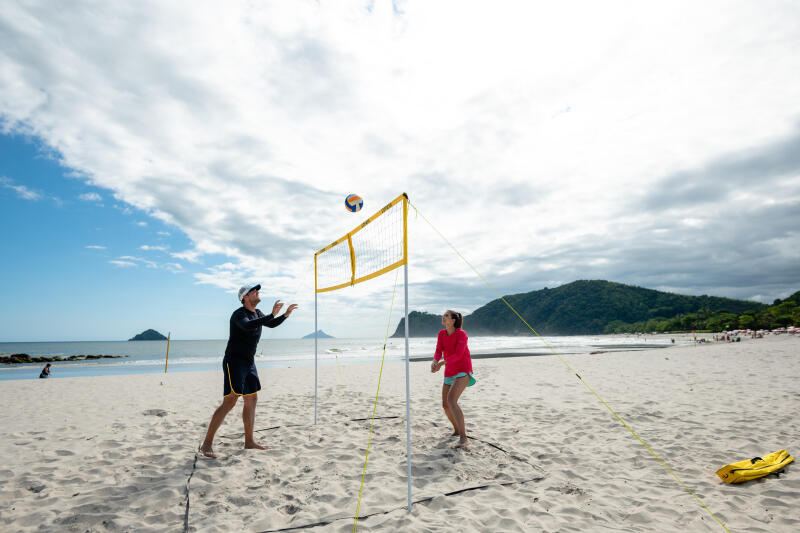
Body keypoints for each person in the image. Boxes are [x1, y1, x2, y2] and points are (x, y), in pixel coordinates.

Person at [199, 283, 298, 459]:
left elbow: (271, 324)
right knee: (230, 401)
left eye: (257, 290)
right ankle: (207, 443)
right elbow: (247, 326)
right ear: (245, 297)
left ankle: (249, 441)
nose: (257, 292)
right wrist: (271, 315)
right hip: (234, 362)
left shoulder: (258, 313)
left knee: (252, 399)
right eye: (254, 291)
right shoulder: (239, 314)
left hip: (249, 362)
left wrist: (284, 315)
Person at [431, 310, 475, 449]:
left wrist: (441, 363)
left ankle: (464, 437)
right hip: (450, 372)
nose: (443, 317)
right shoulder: (441, 333)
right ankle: (456, 430)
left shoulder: (461, 334)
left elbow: (458, 354)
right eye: (443, 315)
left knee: (451, 400)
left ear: (453, 320)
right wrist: (434, 361)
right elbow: (439, 349)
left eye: (446, 316)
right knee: (445, 404)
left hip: (463, 370)